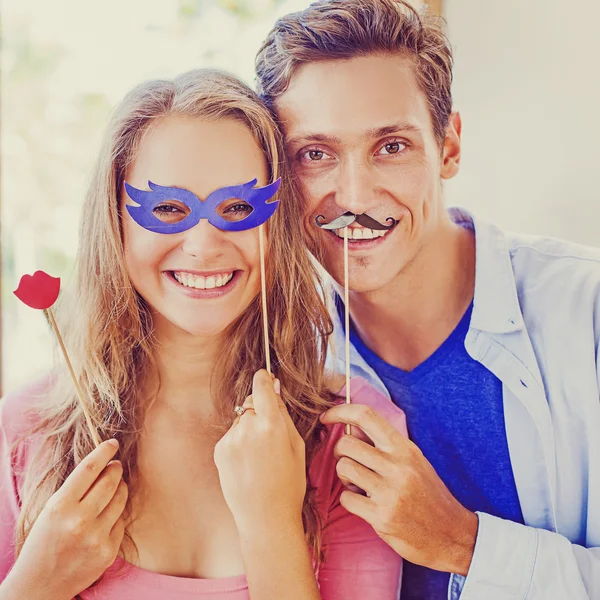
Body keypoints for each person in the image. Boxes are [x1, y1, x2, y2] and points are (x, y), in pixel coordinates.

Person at [0, 69, 405, 600]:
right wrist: (35, 584)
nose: (204, 245)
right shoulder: (25, 432)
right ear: (115, 221)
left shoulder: (350, 433)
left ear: (275, 222)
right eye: (168, 208)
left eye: (238, 207)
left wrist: (272, 523)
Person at [255, 1, 600, 598]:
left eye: (391, 146)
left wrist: (463, 544)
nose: (354, 194)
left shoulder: (585, 310)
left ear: (449, 148)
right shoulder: (277, 360)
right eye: (315, 154)